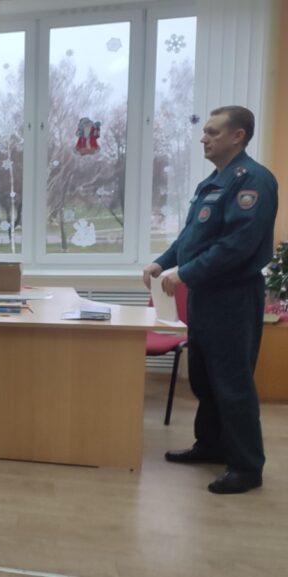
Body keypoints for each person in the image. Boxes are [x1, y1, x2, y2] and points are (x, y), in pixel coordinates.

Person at [144, 105, 278, 495]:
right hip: (205, 296)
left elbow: (238, 244)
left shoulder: (253, 180)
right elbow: (191, 238)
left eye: (213, 132)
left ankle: (247, 467)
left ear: (238, 136)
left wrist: (184, 273)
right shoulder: (213, 183)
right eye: (204, 131)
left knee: (232, 383)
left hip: (233, 296)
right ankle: (212, 445)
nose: (204, 138)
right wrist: (162, 262)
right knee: (204, 378)